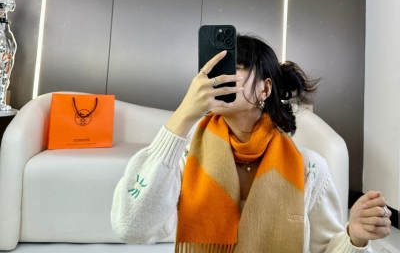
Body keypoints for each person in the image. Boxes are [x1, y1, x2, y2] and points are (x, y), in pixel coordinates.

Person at [111, 34, 392, 252]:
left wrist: (355, 237)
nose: (217, 77)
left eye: (234, 67)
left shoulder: (309, 168)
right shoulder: (186, 158)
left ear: (265, 88)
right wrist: (183, 115)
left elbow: (327, 249)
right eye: (213, 69)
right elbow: (131, 228)